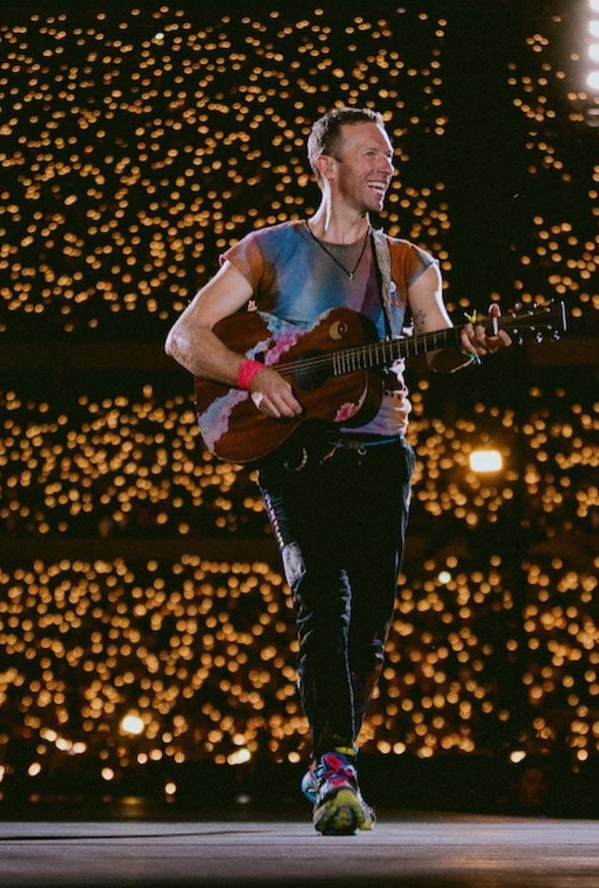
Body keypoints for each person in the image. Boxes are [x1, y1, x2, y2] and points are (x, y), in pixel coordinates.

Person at [165, 106, 511, 835]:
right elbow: (185, 338)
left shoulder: (410, 263)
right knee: (321, 597)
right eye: (370, 155)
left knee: (370, 621)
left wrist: (469, 343)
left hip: (381, 454)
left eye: (388, 155)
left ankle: (336, 752)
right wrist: (255, 376)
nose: (387, 166)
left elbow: (436, 344)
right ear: (327, 167)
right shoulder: (266, 251)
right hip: (294, 456)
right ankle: (334, 765)